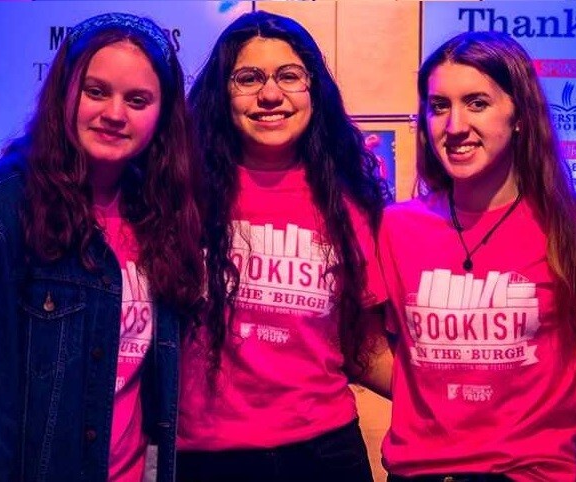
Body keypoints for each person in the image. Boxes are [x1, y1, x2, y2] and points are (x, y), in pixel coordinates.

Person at [0, 13, 202, 482]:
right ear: (64, 93)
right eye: (96, 91)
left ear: (163, 116)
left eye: (138, 99)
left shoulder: (160, 217)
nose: (115, 113)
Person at [376, 31, 576, 482]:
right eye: (439, 106)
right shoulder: (397, 228)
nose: (454, 126)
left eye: (477, 103)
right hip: (419, 472)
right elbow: (369, 345)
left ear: (520, 114)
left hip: (530, 473)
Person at [176, 10, 393, 482]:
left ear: (313, 89)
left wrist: (461, 407)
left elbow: (363, 347)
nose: (270, 94)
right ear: (222, 93)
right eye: (249, 78)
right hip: (205, 459)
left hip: (324, 455)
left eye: (289, 76)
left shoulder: (348, 200)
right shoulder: (179, 193)